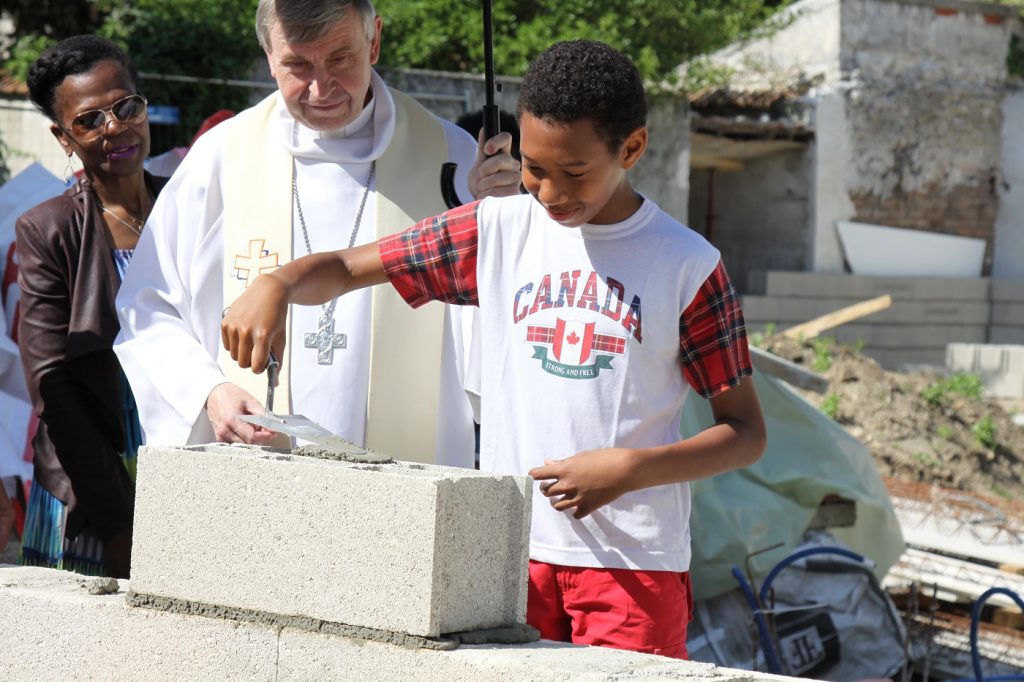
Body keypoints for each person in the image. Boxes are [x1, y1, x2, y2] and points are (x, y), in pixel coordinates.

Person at [221, 40, 767, 658]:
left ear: (632, 149)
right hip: (509, 554)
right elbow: (349, 267)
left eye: (575, 173)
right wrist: (278, 283)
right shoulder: (496, 229)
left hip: (634, 567)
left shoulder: (687, 265)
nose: (550, 191)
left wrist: (629, 469)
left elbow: (745, 431)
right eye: (534, 167)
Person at [114, 0, 520, 466]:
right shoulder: (223, 155)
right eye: (297, 65)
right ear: (269, 55)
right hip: (255, 476)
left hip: (409, 479)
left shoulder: (450, 155)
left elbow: (498, 311)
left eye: (340, 59)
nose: (320, 87)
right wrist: (210, 390)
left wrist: (499, 216)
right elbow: (147, 304)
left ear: (375, 41)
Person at [16, 35, 167, 577]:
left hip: (181, 470)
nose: (116, 128)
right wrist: (119, 523)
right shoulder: (47, 230)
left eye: (127, 106)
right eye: (89, 120)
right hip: (91, 486)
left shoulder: (188, 206)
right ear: (64, 137)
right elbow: (52, 386)